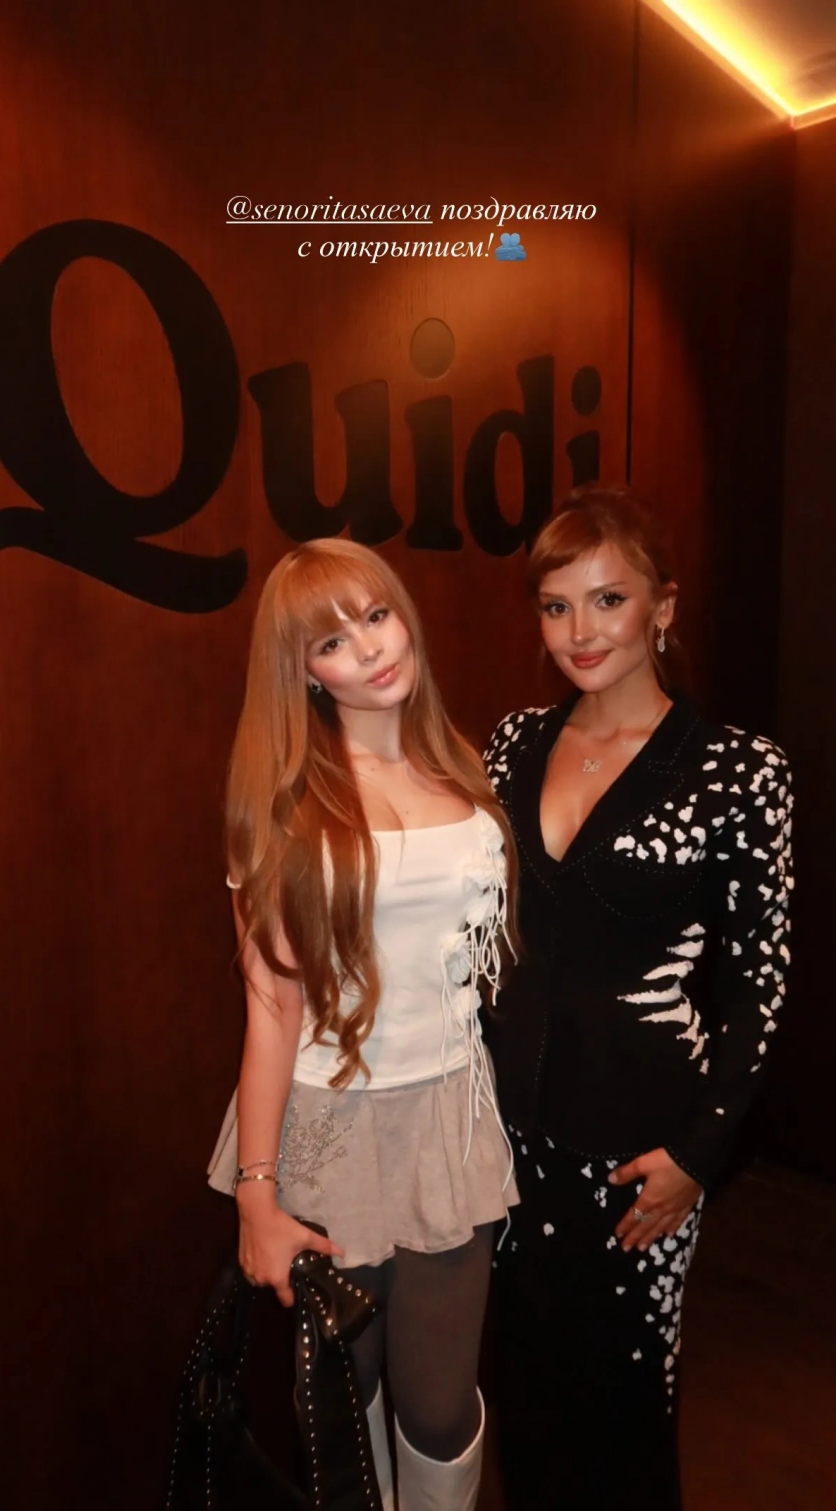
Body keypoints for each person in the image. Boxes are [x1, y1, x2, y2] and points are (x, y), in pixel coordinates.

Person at [483, 486, 793, 1509]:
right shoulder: (510, 744)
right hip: (504, 1146)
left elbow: (758, 980)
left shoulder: (738, 770)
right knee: (524, 1409)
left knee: (621, 1422)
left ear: (663, 605)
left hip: (640, 1154)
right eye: (556, 604)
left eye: (607, 599)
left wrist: (700, 1156)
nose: (580, 630)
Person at [207, 538, 519, 1510]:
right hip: (332, 1126)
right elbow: (271, 1007)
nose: (371, 648)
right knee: (345, 1400)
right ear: (305, 672)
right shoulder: (286, 803)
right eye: (332, 641)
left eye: (377, 615)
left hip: (449, 1121)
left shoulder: (462, 767)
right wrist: (256, 1196)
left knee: (437, 1406)